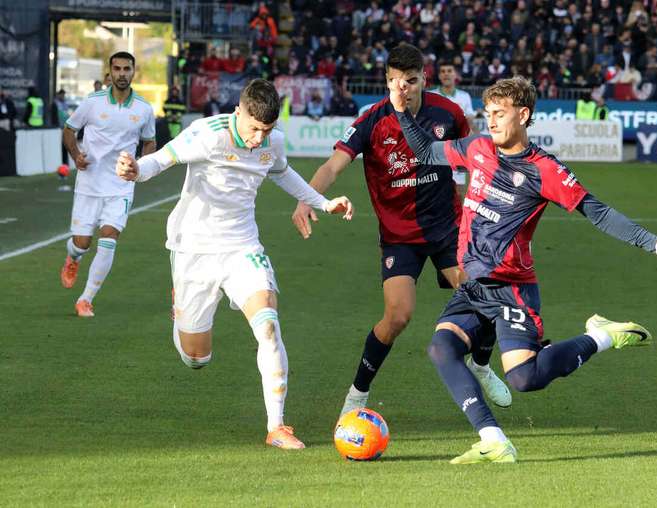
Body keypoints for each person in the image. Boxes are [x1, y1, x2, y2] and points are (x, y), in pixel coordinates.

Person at [389, 75, 657, 464]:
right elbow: (425, 150)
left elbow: (597, 213)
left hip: (510, 289)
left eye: (500, 114)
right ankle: (493, 439)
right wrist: (400, 108)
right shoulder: (477, 147)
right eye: (488, 113)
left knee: (524, 379)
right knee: (441, 348)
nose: (492, 121)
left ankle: (601, 336)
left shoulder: (544, 169)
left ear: (524, 114)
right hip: (472, 286)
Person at [115, 78, 354, 450]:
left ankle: (276, 426)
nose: (260, 138)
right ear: (238, 112)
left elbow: (282, 172)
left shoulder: (271, 141)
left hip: (242, 245)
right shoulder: (207, 134)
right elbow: (161, 159)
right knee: (197, 357)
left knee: (269, 326)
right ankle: (181, 311)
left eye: (267, 130)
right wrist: (135, 170)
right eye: (254, 128)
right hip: (194, 249)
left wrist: (323, 203)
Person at [291, 43, 511, 418]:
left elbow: (476, 155)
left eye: (411, 81)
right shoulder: (372, 121)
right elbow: (333, 166)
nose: (404, 89)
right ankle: (358, 394)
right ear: (387, 80)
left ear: (423, 78)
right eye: (396, 81)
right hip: (399, 235)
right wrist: (306, 198)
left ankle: (482, 365)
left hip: (447, 227)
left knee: (487, 295)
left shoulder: (449, 112)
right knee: (398, 317)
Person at [60, 51, 157, 317]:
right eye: (117, 69)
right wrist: (76, 155)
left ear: (133, 72)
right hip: (89, 182)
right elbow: (69, 129)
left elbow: (149, 142)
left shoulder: (144, 109)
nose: (122, 73)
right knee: (81, 243)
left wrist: (141, 166)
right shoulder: (92, 103)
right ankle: (73, 258)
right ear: (110, 72)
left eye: (127, 69)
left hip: (120, 185)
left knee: (110, 237)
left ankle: (86, 299)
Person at [429, 59, 477, 197]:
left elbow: (469, 122)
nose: (446, 74)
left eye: (449, 71)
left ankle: (458, 219)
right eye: (443, 72)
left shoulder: (464, 96)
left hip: (457, 150)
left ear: (455, 74)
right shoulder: (432, 96)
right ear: (439, 75)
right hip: (437, 151)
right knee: (434, 192)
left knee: (459, 192)